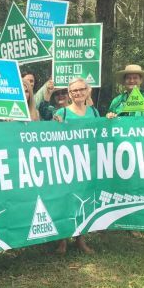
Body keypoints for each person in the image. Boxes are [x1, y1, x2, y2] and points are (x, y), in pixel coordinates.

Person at [52, 78, 99, 254]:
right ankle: (62, 241)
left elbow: (101, 133)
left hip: (88, 163)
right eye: (74, 91)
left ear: (87, 91)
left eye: (81, 89)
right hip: (68, 163)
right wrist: (54, 125)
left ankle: (81, 240)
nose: (77, 93)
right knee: (66, 200)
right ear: (69, 94)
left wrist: (109, 120)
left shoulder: (94, 112)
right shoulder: (62, 112)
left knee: (84, 200)